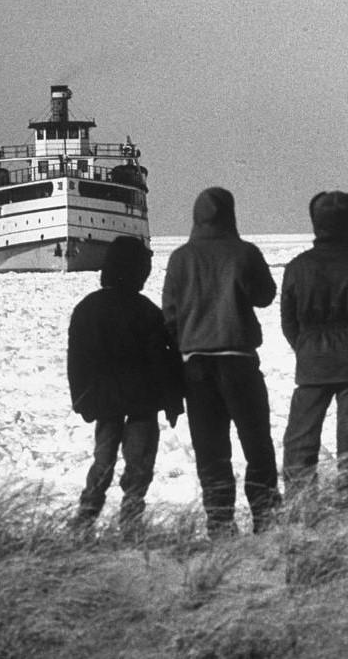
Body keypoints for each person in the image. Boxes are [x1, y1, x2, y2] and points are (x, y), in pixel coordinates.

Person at [162, 187, 280, 538]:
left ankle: (220, 523)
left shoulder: (181, 258)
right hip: (239, 361)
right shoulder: (244, 253)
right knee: (257, 444)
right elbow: (265, 296)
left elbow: (169, 314)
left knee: (211, 450)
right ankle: (266, 518)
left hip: (196, 366)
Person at [68, 236, 184, 541]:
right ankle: (131, 522)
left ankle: (85, 518)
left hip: (105, 403)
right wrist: (173, 401)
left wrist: (81, 399)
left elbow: (77, 360)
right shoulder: (146, 311)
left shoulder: (87, 309)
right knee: (139, 465)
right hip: (142, 404)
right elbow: (164, 359)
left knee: (102, 462)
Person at [281, 191, 348, 512]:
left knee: (300, 440)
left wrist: (306, 347)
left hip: (312, 361)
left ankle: (300, 508)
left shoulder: (297, 267)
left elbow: (289, 320)